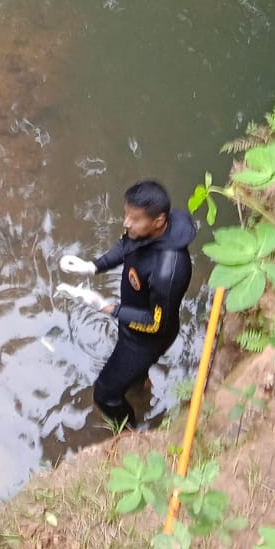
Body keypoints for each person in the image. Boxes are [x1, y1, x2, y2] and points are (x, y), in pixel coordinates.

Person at [59, 179, 195, 430]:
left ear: (158, 221)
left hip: (146, 339)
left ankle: (129, 433)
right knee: (131, 379)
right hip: (132, 323)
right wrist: (93, 267)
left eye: (134, 219)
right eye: (126, 215)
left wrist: (106, 307)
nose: (126, 223)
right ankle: (140, 387)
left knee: (104, 394)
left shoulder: (168, 271)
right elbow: (126, 245)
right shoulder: (144, 232)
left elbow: (156, 324)